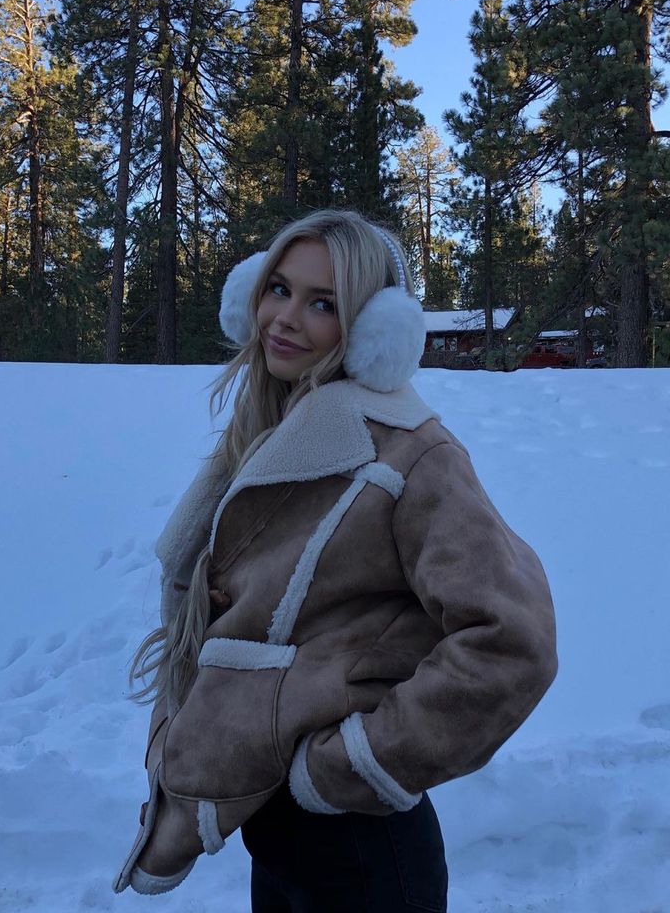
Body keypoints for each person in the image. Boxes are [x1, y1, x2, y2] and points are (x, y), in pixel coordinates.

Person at [112, 208, 558, 911]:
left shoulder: (410, 453)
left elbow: (513, 643)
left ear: (373, 330)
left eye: (324, 303)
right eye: (279, 288)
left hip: (360, 846)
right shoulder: (270, 431)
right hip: (279, 834)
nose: (285, 317)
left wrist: (351, 765)